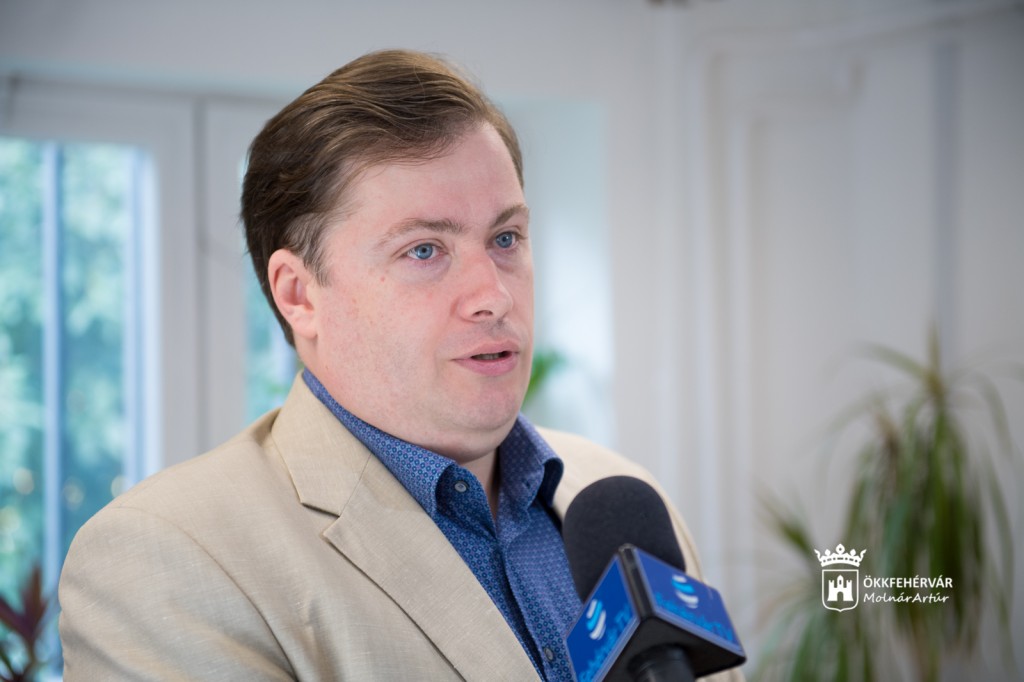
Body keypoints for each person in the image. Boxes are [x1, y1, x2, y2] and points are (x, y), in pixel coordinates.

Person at [58, 49, 740, 681]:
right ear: (300, 295)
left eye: (506, 238)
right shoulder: (165, 557)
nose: (494, 295)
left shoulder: (620, 501)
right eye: (424, 251)